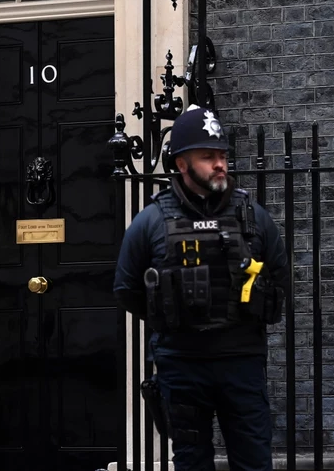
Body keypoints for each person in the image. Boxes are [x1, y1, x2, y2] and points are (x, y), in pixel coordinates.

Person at [113, 105, 287, 471]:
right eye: (208, 157)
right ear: (181, 164)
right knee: (191, 462)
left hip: (241, 361)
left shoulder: (254, 218)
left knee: (254, 461)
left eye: (222, 155)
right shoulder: (151, 222)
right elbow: (127, 288)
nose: (220, 164)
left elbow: (281, 278)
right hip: (181, 364)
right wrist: (173, 310)